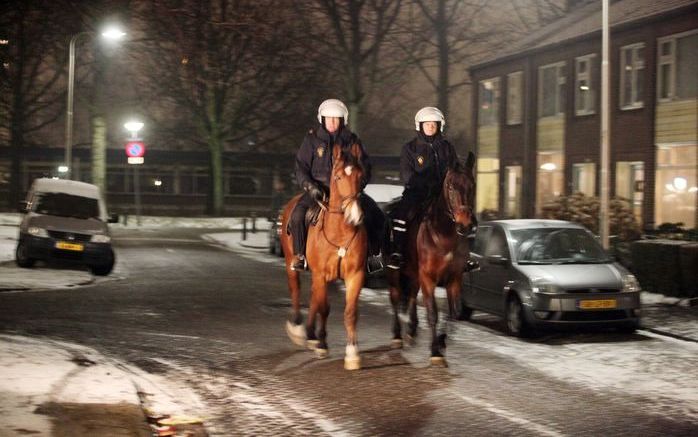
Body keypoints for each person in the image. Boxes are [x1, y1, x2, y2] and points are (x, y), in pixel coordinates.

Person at [290, 98, 383, 271]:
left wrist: (357, 186)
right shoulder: (311, 140)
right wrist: (311, 188)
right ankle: (300, 255)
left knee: (377, 215)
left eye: (336, 119)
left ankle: (372, 255)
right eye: (329, 118)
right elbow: (301, 167)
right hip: (319, 190)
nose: (332, 122)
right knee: (296, 216)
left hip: (348, 192)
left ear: (343, 120)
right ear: (322, 119)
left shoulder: (352, 141)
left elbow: (365, 166)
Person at [387, 106, 458, 269]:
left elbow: (455, 169)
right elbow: (407, 174)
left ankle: (464, 255)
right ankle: (397, 251)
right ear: (420, 126)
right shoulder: (410, 148)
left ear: (440, 126)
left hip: (444, 194)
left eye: (434, 124)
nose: (431, 127)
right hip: (417, 193)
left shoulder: (447, 147)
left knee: (464, 215)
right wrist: (425, 184)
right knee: (401, 214)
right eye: (427, 124)